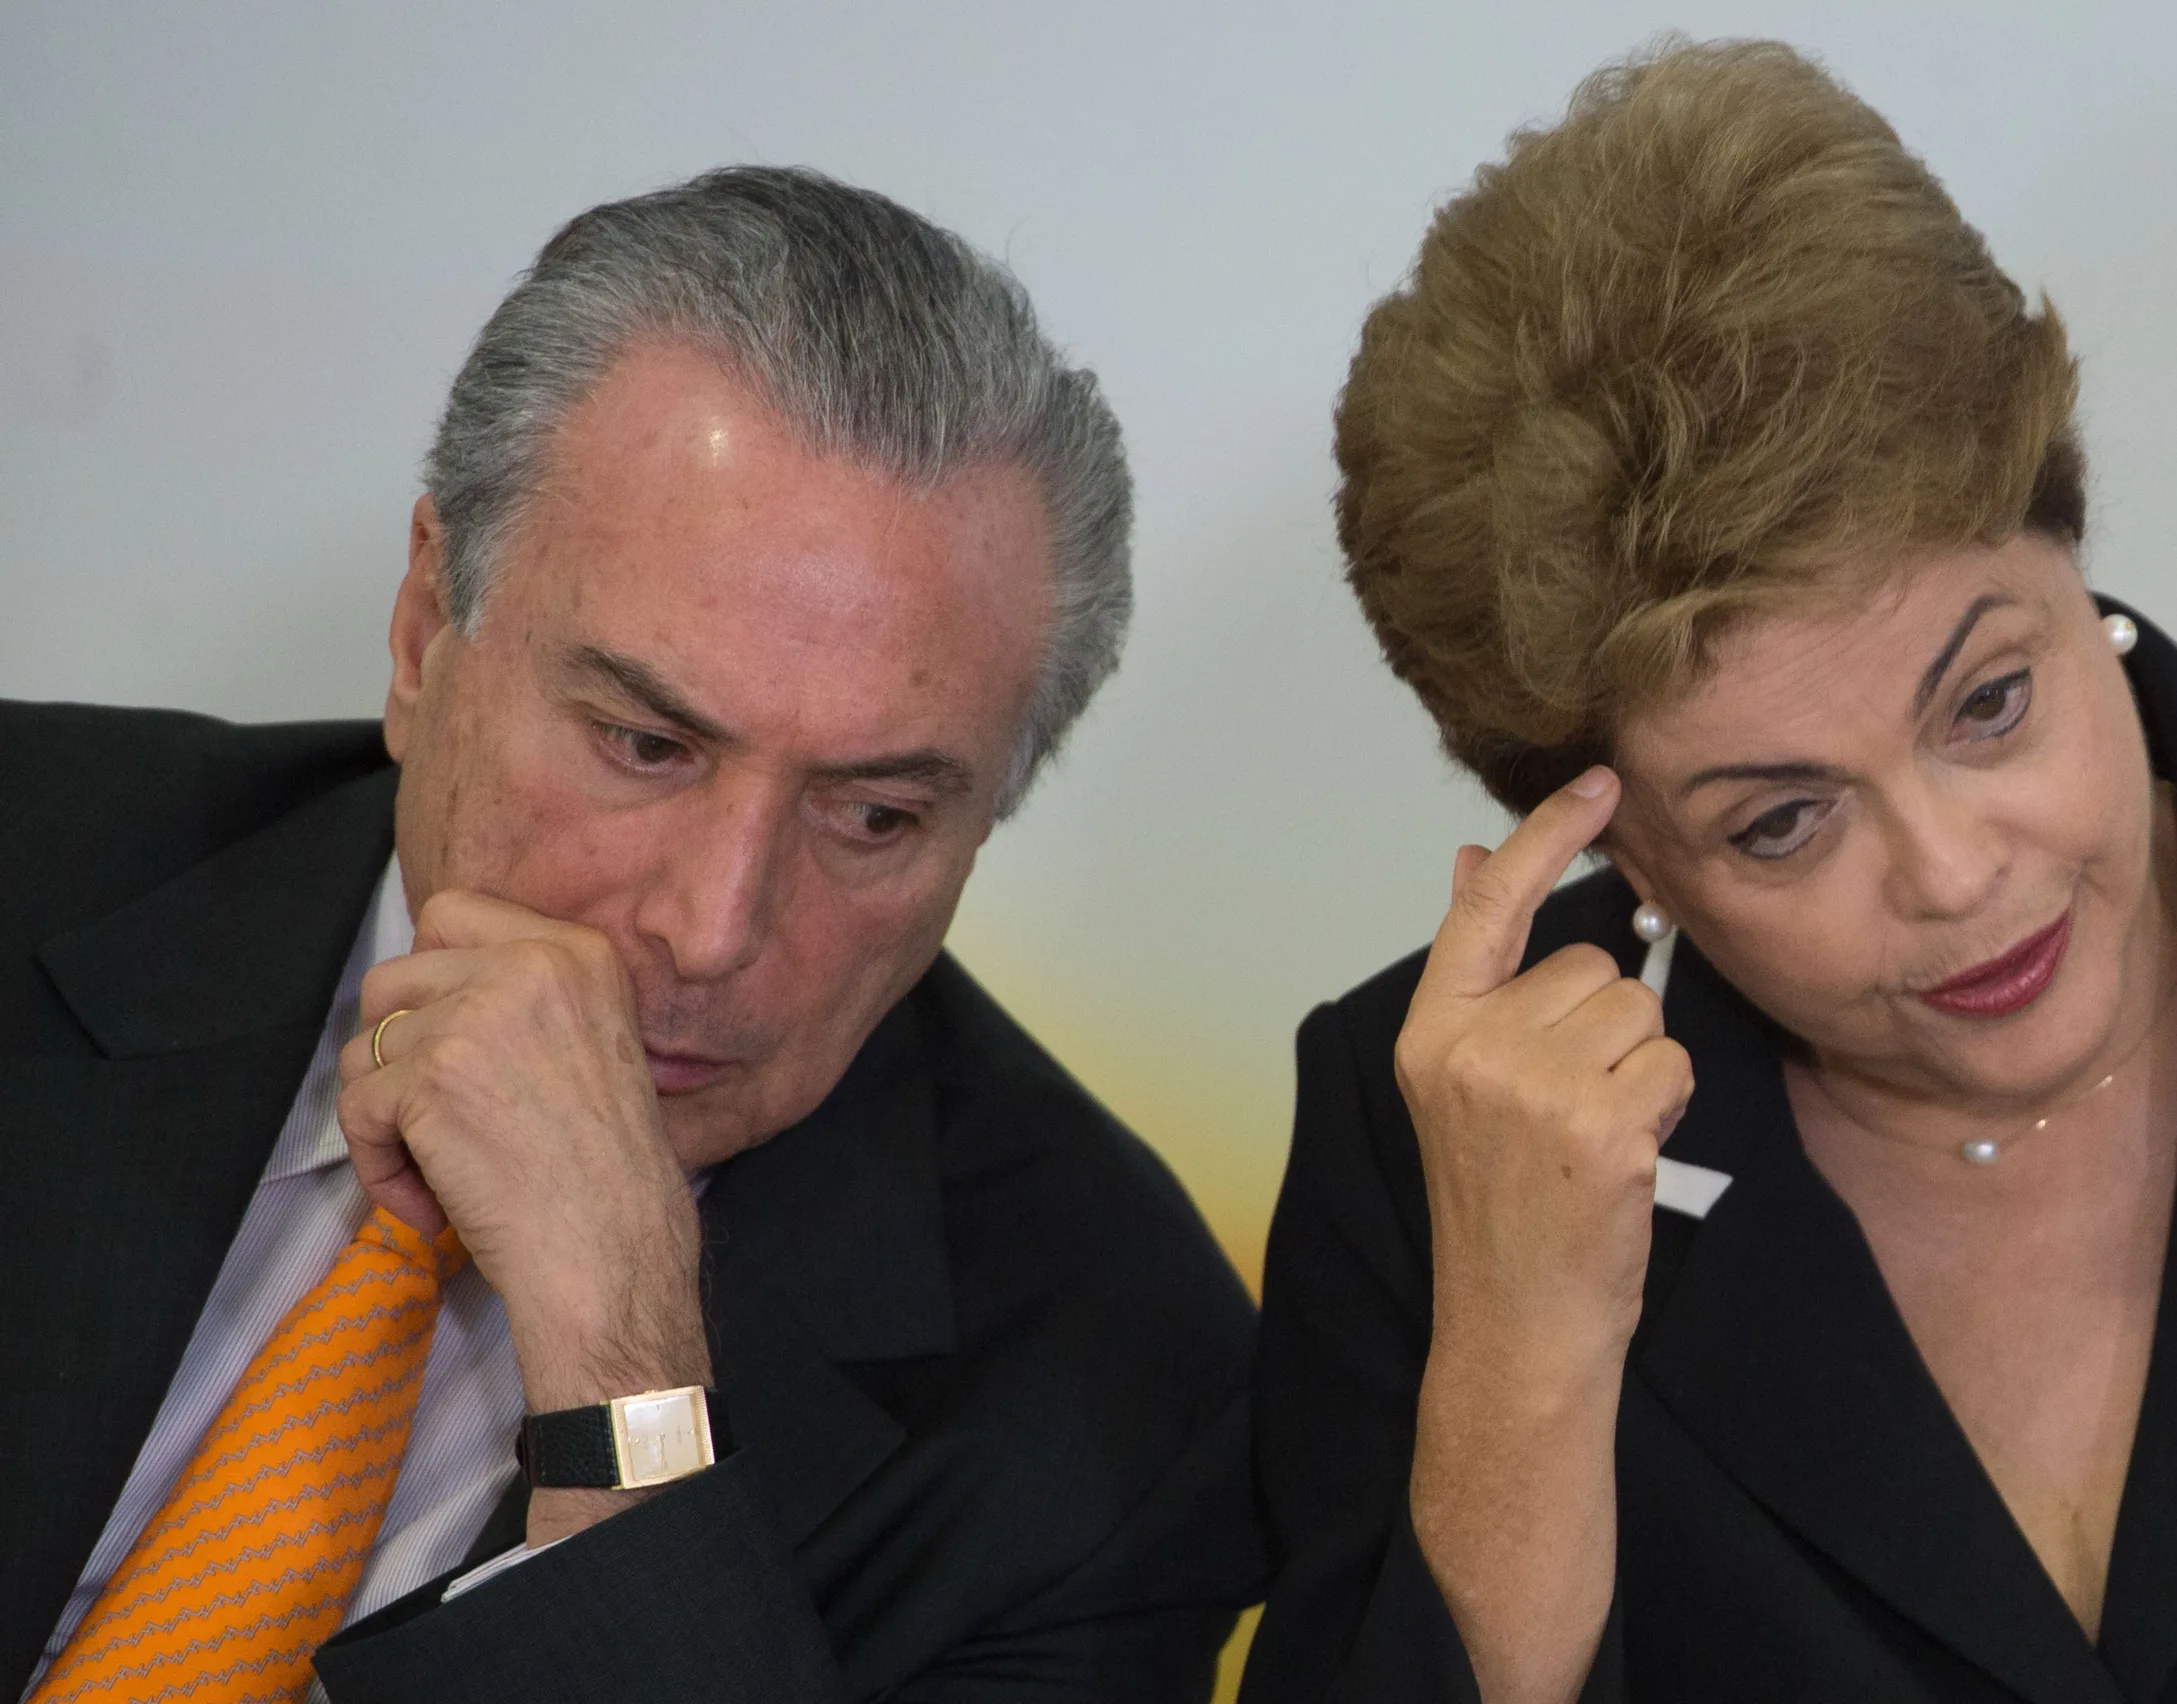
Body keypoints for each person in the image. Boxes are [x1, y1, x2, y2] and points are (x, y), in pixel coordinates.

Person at [1242, 38, 2177, 1704]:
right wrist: (1523, 1366)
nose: (1951, 875)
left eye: (1989, 703)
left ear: (2067, 544)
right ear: (1606, 839)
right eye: (1781, 820)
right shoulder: (1429, 1133)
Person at [3, 166, 1259, 1704]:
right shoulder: (33, 860)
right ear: (423, 633)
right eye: (645, 744)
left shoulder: (1108, 1395)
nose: (713, 927)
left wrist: (626, 1390)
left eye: (871, 819)